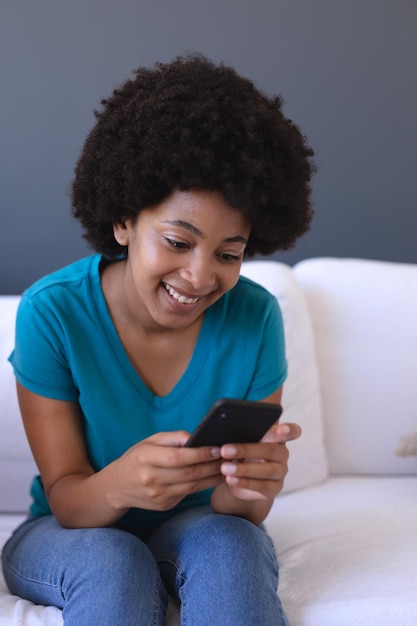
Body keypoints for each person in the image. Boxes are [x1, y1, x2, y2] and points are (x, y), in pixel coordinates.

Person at [1, 53, 315, 625]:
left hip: (198, 525)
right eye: (177, 241)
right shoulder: (54, 312)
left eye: (228, 254)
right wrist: (121, 484)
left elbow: (234, 512)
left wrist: (254, 487)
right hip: (73, 528)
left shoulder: (257, 317)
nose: (200, 277)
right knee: (116, 559)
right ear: (124, 222)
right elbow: (68, 498)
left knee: (231, 545)